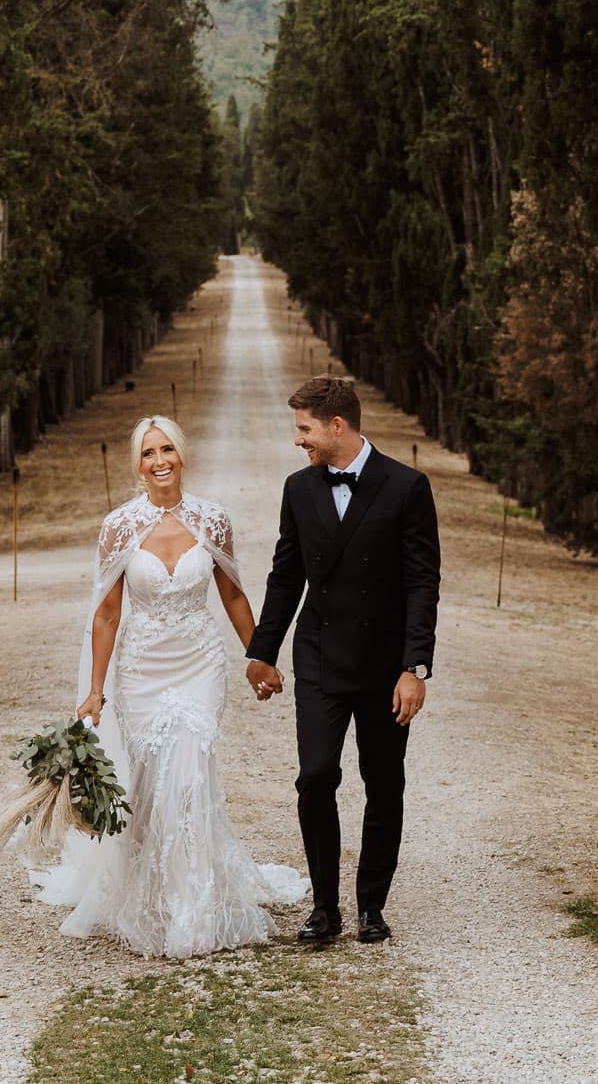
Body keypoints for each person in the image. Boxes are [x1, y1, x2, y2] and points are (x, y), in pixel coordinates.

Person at [30, 415, 308, 957]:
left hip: (199, 663)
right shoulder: (118, 527)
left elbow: (232, 595)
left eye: (167, 451)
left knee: (189, 771)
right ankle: (148, 893)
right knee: (153, 781)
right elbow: (106, 615)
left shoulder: (213, 520)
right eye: (148, 454)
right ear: (137, 465)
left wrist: (259, 657)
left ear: (181, 455)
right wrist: (95, 690)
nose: (159, 462)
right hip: (142, 670)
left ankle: (193, 905)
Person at [247, 376, 441, 946]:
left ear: (337, 426)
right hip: (321, 662)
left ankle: (371, 907)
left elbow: (422, 584)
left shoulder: (407, 487)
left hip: (386, 670)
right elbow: (285, 577)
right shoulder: (298, 489)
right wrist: (262, 651)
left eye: (304, 429)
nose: (298, 441)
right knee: (315, 777)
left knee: (384, 785)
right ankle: (325, 909)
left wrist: (416, 667)